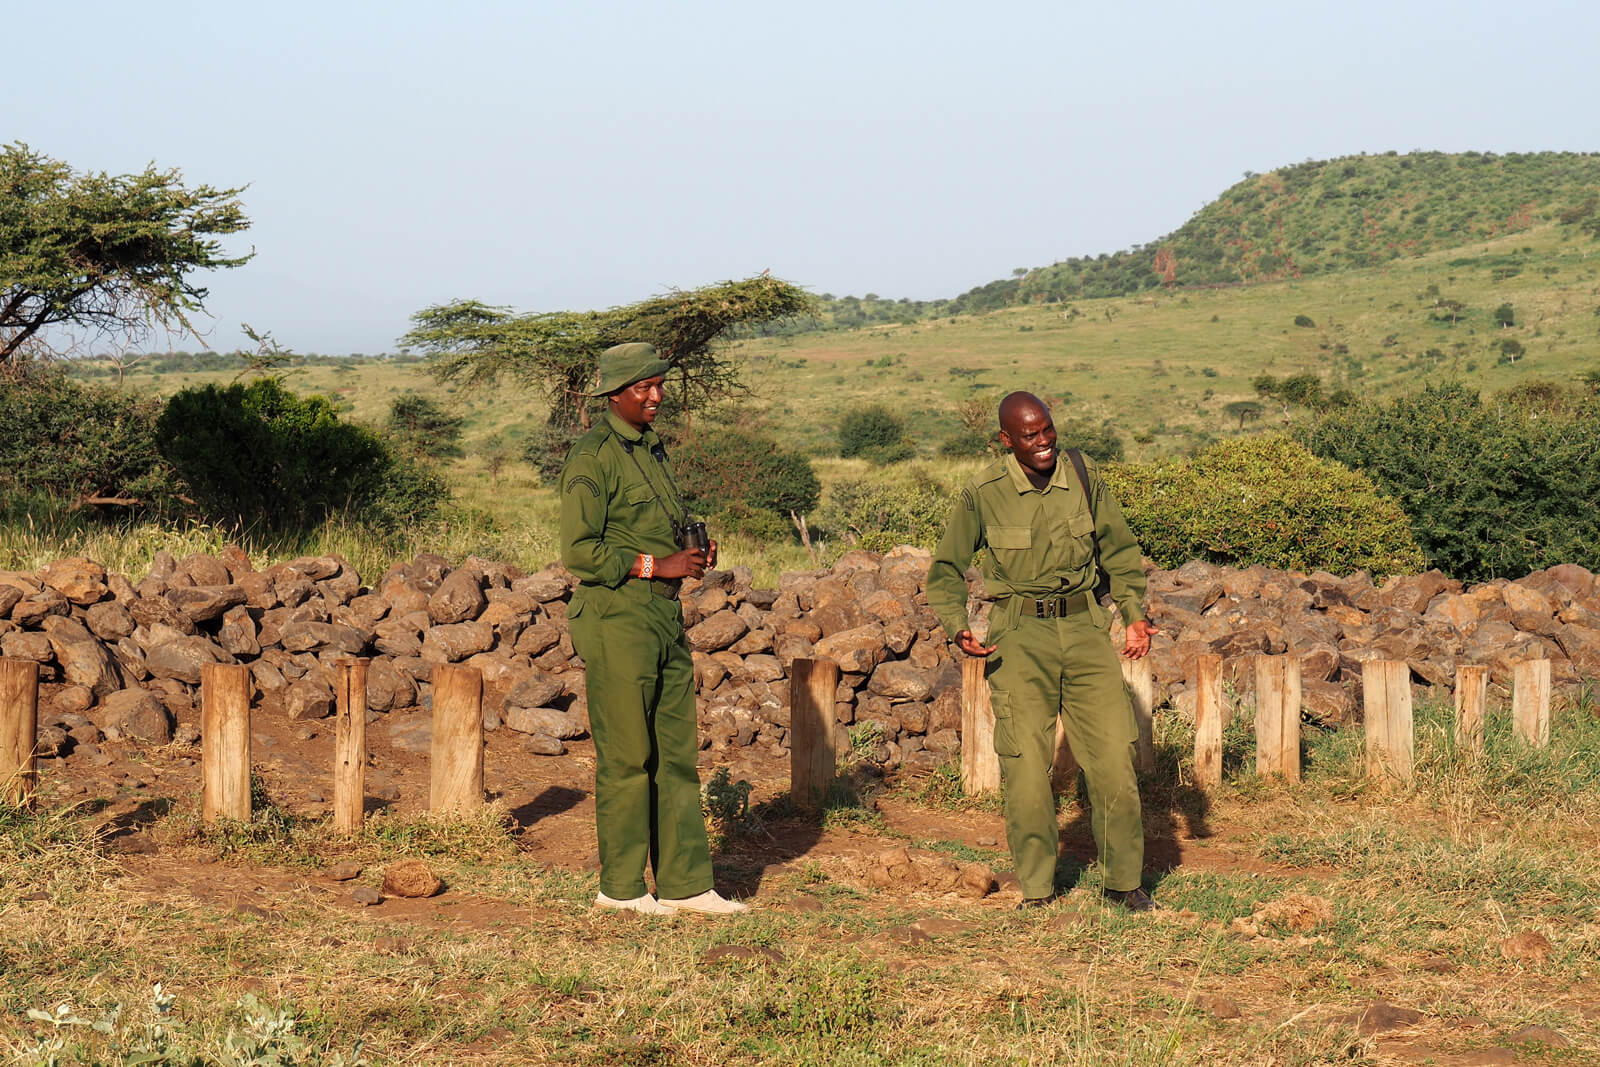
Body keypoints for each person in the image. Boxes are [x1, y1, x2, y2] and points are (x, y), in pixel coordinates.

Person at [926, 391, 1160, 911]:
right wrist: (957, 625)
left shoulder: (1081, 472)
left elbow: (1118, 549)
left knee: (1114, 758)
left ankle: (1124, 883)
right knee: (1026, 768)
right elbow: (945, 570)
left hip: (1084, 627)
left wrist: (1134, 612)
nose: (1044, 443)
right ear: (1006, 441)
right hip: (1019, 636)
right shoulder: (983, 493)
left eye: (1048, 430)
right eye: (1029, 436)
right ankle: (1037, 888)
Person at [559, 341, 746, 916]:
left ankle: (688, 885)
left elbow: (652, 527)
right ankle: (621, 890)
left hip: (663, 614)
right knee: (627, 758)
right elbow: (580, 552)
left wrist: (687, 555)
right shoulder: (593, 456)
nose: (656, 396)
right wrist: (653, 564)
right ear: (614, 394)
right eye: (643, 387)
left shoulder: (652, 450)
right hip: (618, 617)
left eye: (660, 384)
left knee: (675, 755)